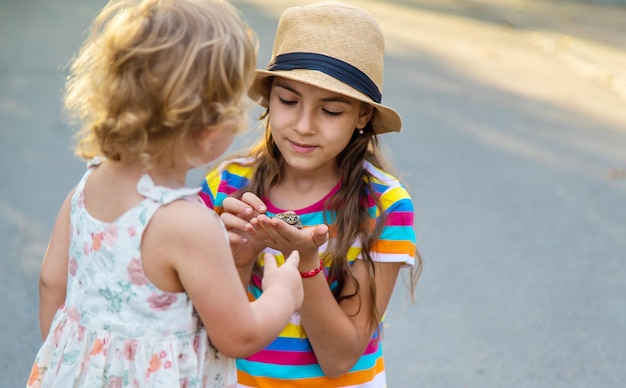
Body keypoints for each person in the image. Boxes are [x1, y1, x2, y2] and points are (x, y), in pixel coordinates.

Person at [26, 0, 304, 386]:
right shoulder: (187, 223)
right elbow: (238, 334)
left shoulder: (87, 187)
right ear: (210, 126)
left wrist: (69, 363)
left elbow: (51, 283)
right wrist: (283, 294)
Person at [200, 1, 423, 386]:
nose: (303, 126)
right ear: (269, 97)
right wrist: (237, 261)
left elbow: (340, 358)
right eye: (288, 101)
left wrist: (307, 262)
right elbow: (212, 334)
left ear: (362, 117)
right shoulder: (225, 186)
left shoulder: (384, 206)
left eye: (331, 111)